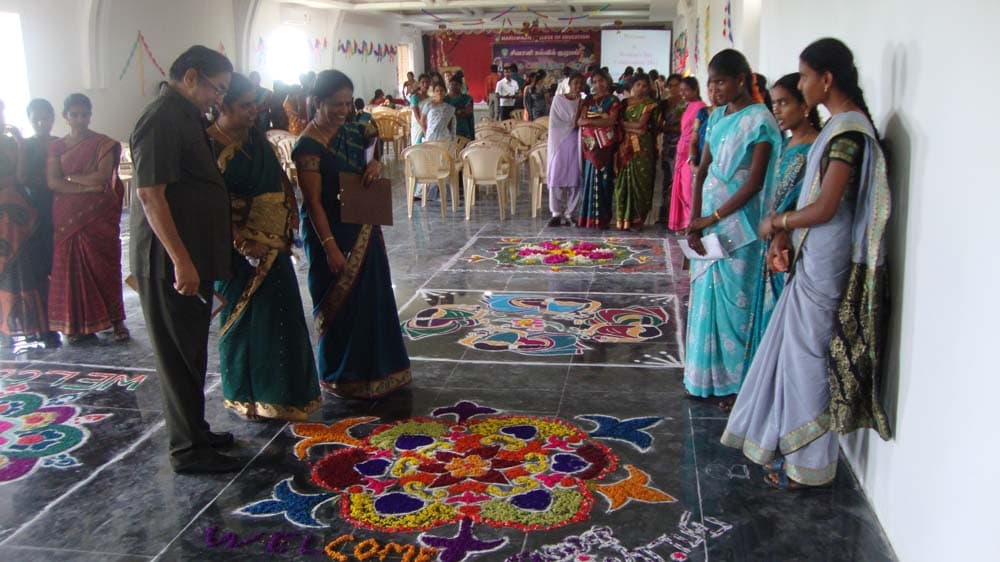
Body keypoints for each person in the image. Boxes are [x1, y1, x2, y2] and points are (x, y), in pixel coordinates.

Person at [722, 38, 892, 489]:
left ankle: (810, 467)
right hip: (813, 254)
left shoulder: (847, 134)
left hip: (827, 261)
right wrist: (786, 235)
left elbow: (826, 207)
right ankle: (793, 454)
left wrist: (778, 222)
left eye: (804, 77)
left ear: (826, 79)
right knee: (797, 356)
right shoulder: (839, 129)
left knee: (810, 362)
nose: (801, 85)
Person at [130, 45, 241, 473]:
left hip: (191, 256)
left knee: (191, 351)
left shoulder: (184, 114)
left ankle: (197, 430)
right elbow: (150, 194)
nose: (219, 99)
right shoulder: (161, 118)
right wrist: (182, 260)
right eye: (218, 89)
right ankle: (188, 450)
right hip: (168, 263)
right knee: (178, 357)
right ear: (192, 77)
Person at [205, 73, 321, 421]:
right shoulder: (208, 145)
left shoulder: (255, 137)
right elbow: (209, 203)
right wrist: (241, 239)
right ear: (222, 105)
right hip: (236, 247)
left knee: (280, 317)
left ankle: (285, 395)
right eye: (245, 106)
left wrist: (290, 209)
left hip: (274, 242)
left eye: (255, 105)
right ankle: (247, 398)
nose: (253, 112)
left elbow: (278, 176)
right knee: (243, 321)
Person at [292, 70, 411, 399]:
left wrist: (375, 166)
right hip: (329, 230)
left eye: (348, 104)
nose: (344, 111)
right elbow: (313, 203)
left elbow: (373, 152)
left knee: (372, 297)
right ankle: (343, 375)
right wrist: (330, 247)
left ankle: (380, 369)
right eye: (336, 104)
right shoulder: (308, 146)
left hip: (363, 224)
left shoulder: (356, 129)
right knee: (340, 304)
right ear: (318, 102)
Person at [682, 49, 782, 406]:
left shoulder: (760, 121)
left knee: (737, 305)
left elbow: (754, 183)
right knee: (706, 296)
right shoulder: (718, 117)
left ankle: (738, 384)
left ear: (741, 79)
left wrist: (712, 218)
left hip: (741, 228)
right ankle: (704, 378)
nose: (714, 90)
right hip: (709, 223)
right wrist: (694, 222)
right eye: (710, 83)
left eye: (721, 82)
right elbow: (703, 171)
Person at [744, 73, 821, 360]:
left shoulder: (815, 149)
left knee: (786, 321)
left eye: (784, 103)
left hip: (794, 247)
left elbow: (812, 201)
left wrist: (782, 228)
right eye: (774, 103)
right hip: (769, 242)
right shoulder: (783, 145)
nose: (776, 110)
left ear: (805, 105)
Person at [46, 93, 128, 343]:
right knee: (70, 270)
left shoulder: (103, 143)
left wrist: (69, 178)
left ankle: (116, 321)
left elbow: (102, 177)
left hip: (99, 216)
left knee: (105, 268)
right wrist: (84, 186)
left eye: (84, 115)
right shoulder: (56, 147)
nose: (80, 120)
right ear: (65, 117)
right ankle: (77, 325)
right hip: (67, 216)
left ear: (90, 116)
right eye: (74, 115)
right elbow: (53, 182)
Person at [0, 99, 58, 350]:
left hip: (21, 217)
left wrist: (21, 145)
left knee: (31, 270)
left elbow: (21, 176)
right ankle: (6, 329)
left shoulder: (12, 142)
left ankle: (41, 326)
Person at [613, 75, 660, 231]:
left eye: (644, 86)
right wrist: (632, 127)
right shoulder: (623, 104)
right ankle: (623, 219)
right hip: (625, 146)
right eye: (638, 84)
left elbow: (641, 125)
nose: (641, 88)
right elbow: (619, 124)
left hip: (643, 148)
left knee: (642, 182)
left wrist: (625, 125)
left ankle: (638, 220)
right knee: (623, 182)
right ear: (632, 86)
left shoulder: (649, 104)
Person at [577, 69, 621, 229]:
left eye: (601, 80)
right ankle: (588, 218)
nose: (598, 84)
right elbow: (579, 121)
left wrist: (590, 122)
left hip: (605, 145)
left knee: (605, 181)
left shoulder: (613, 100)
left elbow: (611, 121)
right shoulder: (588, 100)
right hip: (590, 146)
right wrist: (595, 121)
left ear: (607, 81)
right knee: (589, 178)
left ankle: (603, 219)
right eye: (595, 82)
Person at [668, 77, 707, 232]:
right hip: (681, 149)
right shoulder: (689, 106)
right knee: (682, 187)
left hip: (690, 152)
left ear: (695, 90)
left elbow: (697, 134)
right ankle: (682, 223)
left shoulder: (701, 108)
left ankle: (691, 223)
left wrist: (692, 155)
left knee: (689, 189)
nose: (683, 94)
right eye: (681, 91)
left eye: (686, 90)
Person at [546, 72, 585, 227]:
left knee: (575, 178)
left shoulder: (583, 102)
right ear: (569, 84)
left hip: (576, 141)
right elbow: (557, 121)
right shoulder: (558, 99)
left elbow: (578, 123)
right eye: (575, 83)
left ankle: (570, 213)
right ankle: (555, 213)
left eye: (581, 84)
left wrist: (580, 105)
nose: (578, 86)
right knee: (556, 177)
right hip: (559, 142)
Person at [655, 73, 685, 224]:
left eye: (677, 85)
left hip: (682, 146)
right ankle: (665, 213)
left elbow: (685, 127)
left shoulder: (686, 104)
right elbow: (659, 125)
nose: (674, 88)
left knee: (679, 180)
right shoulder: (664, 104)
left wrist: (672, 128)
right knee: (667, 179)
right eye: (671, 86)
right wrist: (668, 128)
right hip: (668, 146)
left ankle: (679, 214)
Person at [408, 74, 431, 146]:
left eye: (427, 82)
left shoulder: (429, 98)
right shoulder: (415, 97)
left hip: (428, 124)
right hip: (418, 125)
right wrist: (424, 128)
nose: (425, 84)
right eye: (423, 82)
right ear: (419, 84)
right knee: (418, 147)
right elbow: (417, 116)